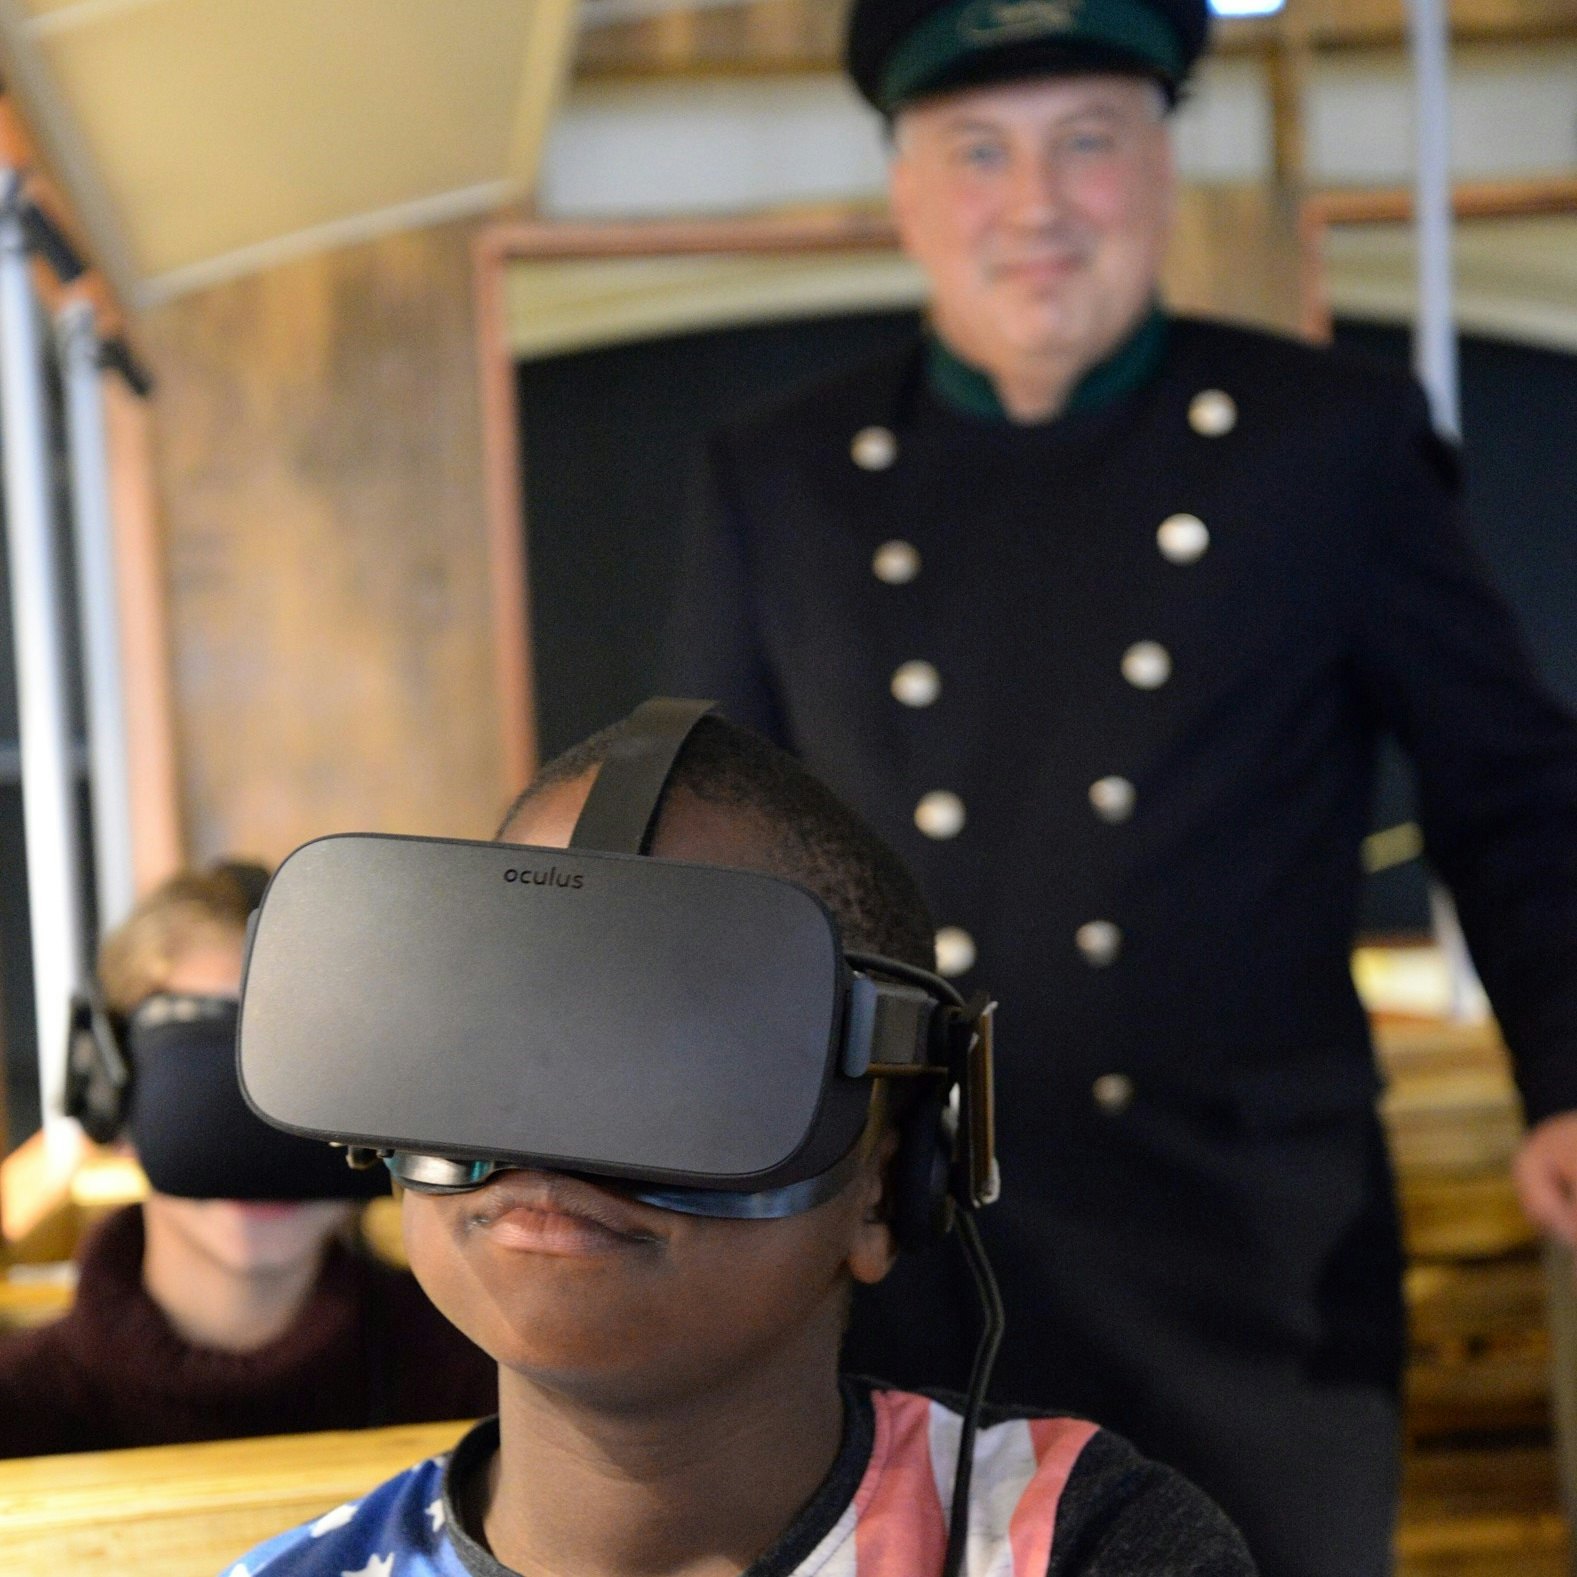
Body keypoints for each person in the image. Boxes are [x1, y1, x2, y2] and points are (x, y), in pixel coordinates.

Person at [659, 3, 1577, 1571]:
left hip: (1252, 1265)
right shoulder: (782, 475)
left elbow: (1511, 790)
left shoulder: (1329, 444)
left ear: (1160, 165)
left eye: (1086, 141)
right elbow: (696, 872)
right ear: (903, 188)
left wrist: (1567, 1071)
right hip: (902, 1255)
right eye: (979, 151)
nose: (1036, 204)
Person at [223, 709, 1254, 1576]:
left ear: (887, 1182)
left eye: (679, 1050)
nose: (552, 1144)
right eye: (500, 1026)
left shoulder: (1084, 1544)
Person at [0, 861, 495, 1458]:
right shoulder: (18, 1409)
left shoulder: (487, 1386)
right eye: (206, 1082)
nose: (257, 1133)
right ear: (110, 1095)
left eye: (305, 1069)